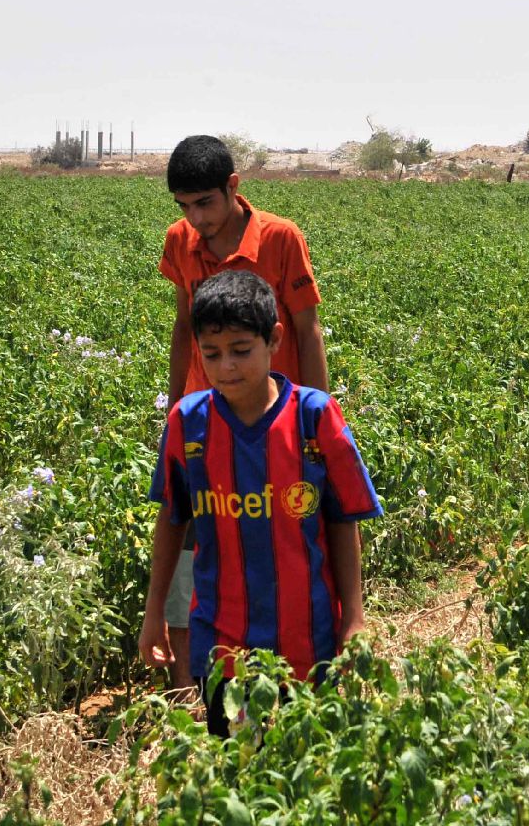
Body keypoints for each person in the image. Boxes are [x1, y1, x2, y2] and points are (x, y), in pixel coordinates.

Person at [137, 271, 381, 736]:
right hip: (223, 647)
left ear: (274, 340)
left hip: (309, 642)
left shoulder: (314, 418)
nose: (226, 366)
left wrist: (354, 618)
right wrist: (154, 615)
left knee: (308, 773)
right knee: (238, 769)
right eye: (211, 354)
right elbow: (172, 519)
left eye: (240, 351)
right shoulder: (189, 425)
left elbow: (343, 519)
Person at [157, 135, 330, 689]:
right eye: (184, 206)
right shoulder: (180, 243)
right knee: (190, 539)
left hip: (278, 423)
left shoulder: (279, 239)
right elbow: (185, 326)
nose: (195, 218)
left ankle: (290, 669)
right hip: (208, 422)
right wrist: (175, 407)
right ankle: (190, 685)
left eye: (204, 202)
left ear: (234, 187)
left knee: (278, 538)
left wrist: (318, 422)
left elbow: (307, 330)